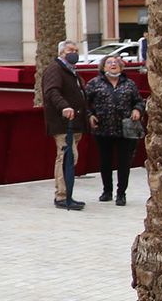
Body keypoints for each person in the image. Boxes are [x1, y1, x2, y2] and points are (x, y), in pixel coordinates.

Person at [84, 54, 144, 206]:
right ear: (103, 67)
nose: (113, 64)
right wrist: (90, 115)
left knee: (124, 162)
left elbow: (139, 101)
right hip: (103, 129)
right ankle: (107, 191)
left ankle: (121, 193)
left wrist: (137, 109)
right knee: (105, 161)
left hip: (125, 130)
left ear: (121, 67)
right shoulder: (94, 83)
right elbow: (83, 103)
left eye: (116, 62)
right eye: (109, 62)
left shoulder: (129, 84)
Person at [41, 39, 89, 211]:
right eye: (70, 50)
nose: (74, 53)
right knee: (67, 157)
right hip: (63, 123)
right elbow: (52, 91)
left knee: (70, 158)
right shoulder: (55, 69)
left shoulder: (72, 71)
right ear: (61, 52)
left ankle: (66, 193)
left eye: (76, 50)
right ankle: (61, 195)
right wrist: (64, 107)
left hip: (75, 122)